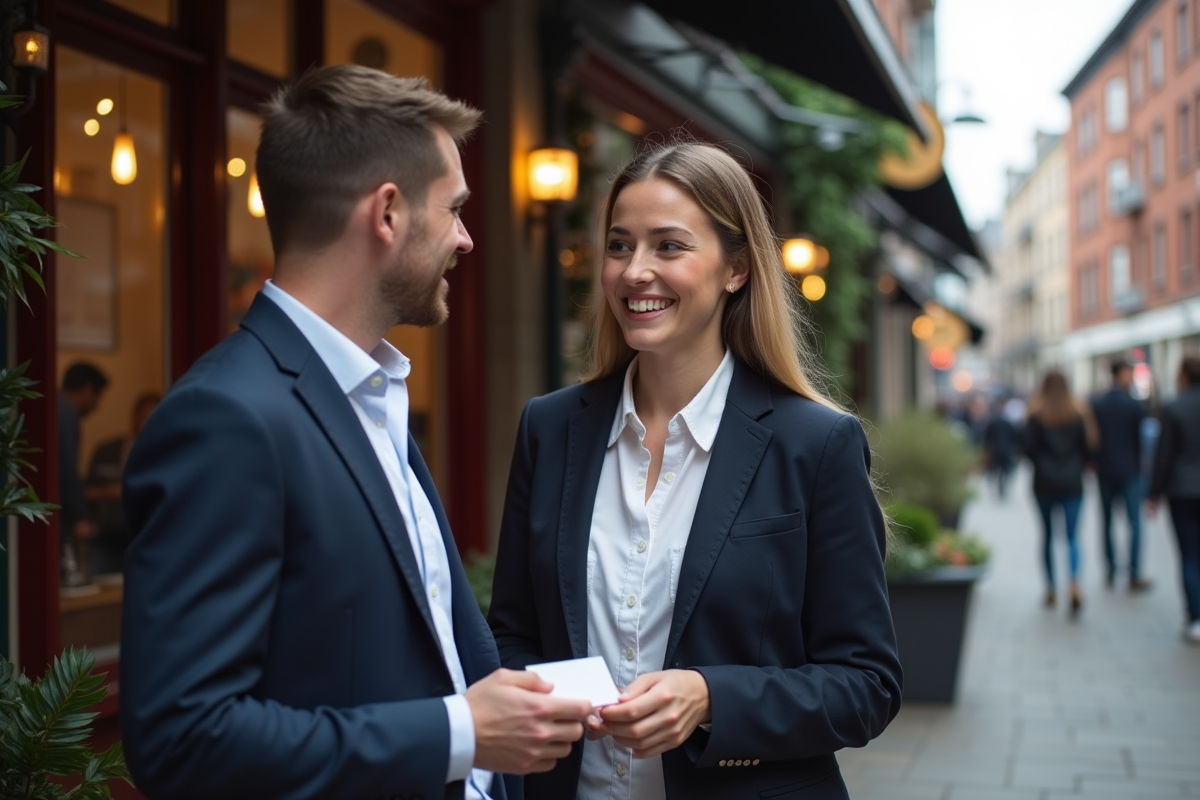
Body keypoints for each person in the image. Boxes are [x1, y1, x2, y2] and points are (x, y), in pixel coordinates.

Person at [120, 66, 591, 800]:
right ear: (388, 212)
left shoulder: (372, 393)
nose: (466, 239)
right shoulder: (225, 419)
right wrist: (459, 732)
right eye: (454, 209)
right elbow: (182, 740)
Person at [488, 141, 902, 800]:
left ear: (736, 269)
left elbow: (866, 685)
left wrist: (711, 697)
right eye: (619, 245)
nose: (635, 271)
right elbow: (512, 633)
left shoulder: (815, 444)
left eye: (669, 246)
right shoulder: (550, 428)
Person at [1023, 370, 1098, 615]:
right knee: (1072, 536)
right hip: (1072, 482)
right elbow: (1089, 449)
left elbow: (1027, 449)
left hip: (1044, 483)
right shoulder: (1079, 413)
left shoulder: (1035, 414)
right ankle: (1073, 581)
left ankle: (1051, 588)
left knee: (1047, 536)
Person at [1147, 355, 1200, 644]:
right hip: (1184, 489)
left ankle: (1195, 618)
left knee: (1189, 555)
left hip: (1182, 491)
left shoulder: (1174, 407)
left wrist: (1154, 494)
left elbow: (1163, 455)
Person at [84, 392, 160, 574]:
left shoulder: (167, 455)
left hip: (148, 538)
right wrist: (111, 492)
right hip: (105, 536)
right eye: (144, 415)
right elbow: (85, 491)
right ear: (134, 416)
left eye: (154, 416)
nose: (148, 422)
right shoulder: (106, 450)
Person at [1090, 360, 1150, 591]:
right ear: (1121, 374)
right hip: (1130, 471)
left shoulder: (1098, 403)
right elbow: (1142, 439)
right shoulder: (1133, 405)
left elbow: (1092, 439)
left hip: (1105, 470)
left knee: (1107, 522)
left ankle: (1111, 569)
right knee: (1134, 523)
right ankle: (1134, 572)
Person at [57, 361, 109, 581]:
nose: (96, 407)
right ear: (88, 390)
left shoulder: (53, 406)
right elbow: (67, 468)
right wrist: (79, 517)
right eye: (98, 398)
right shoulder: (66, 412)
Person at [981, 397, 1020, 500]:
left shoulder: (994, 421)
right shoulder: (1007, 422)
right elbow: (1015, 437)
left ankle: (999, 486)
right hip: (1003, 450)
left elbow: (987, 437)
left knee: (999, 470)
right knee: (1003, 470)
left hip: (997, 450)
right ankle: (1000, 486)